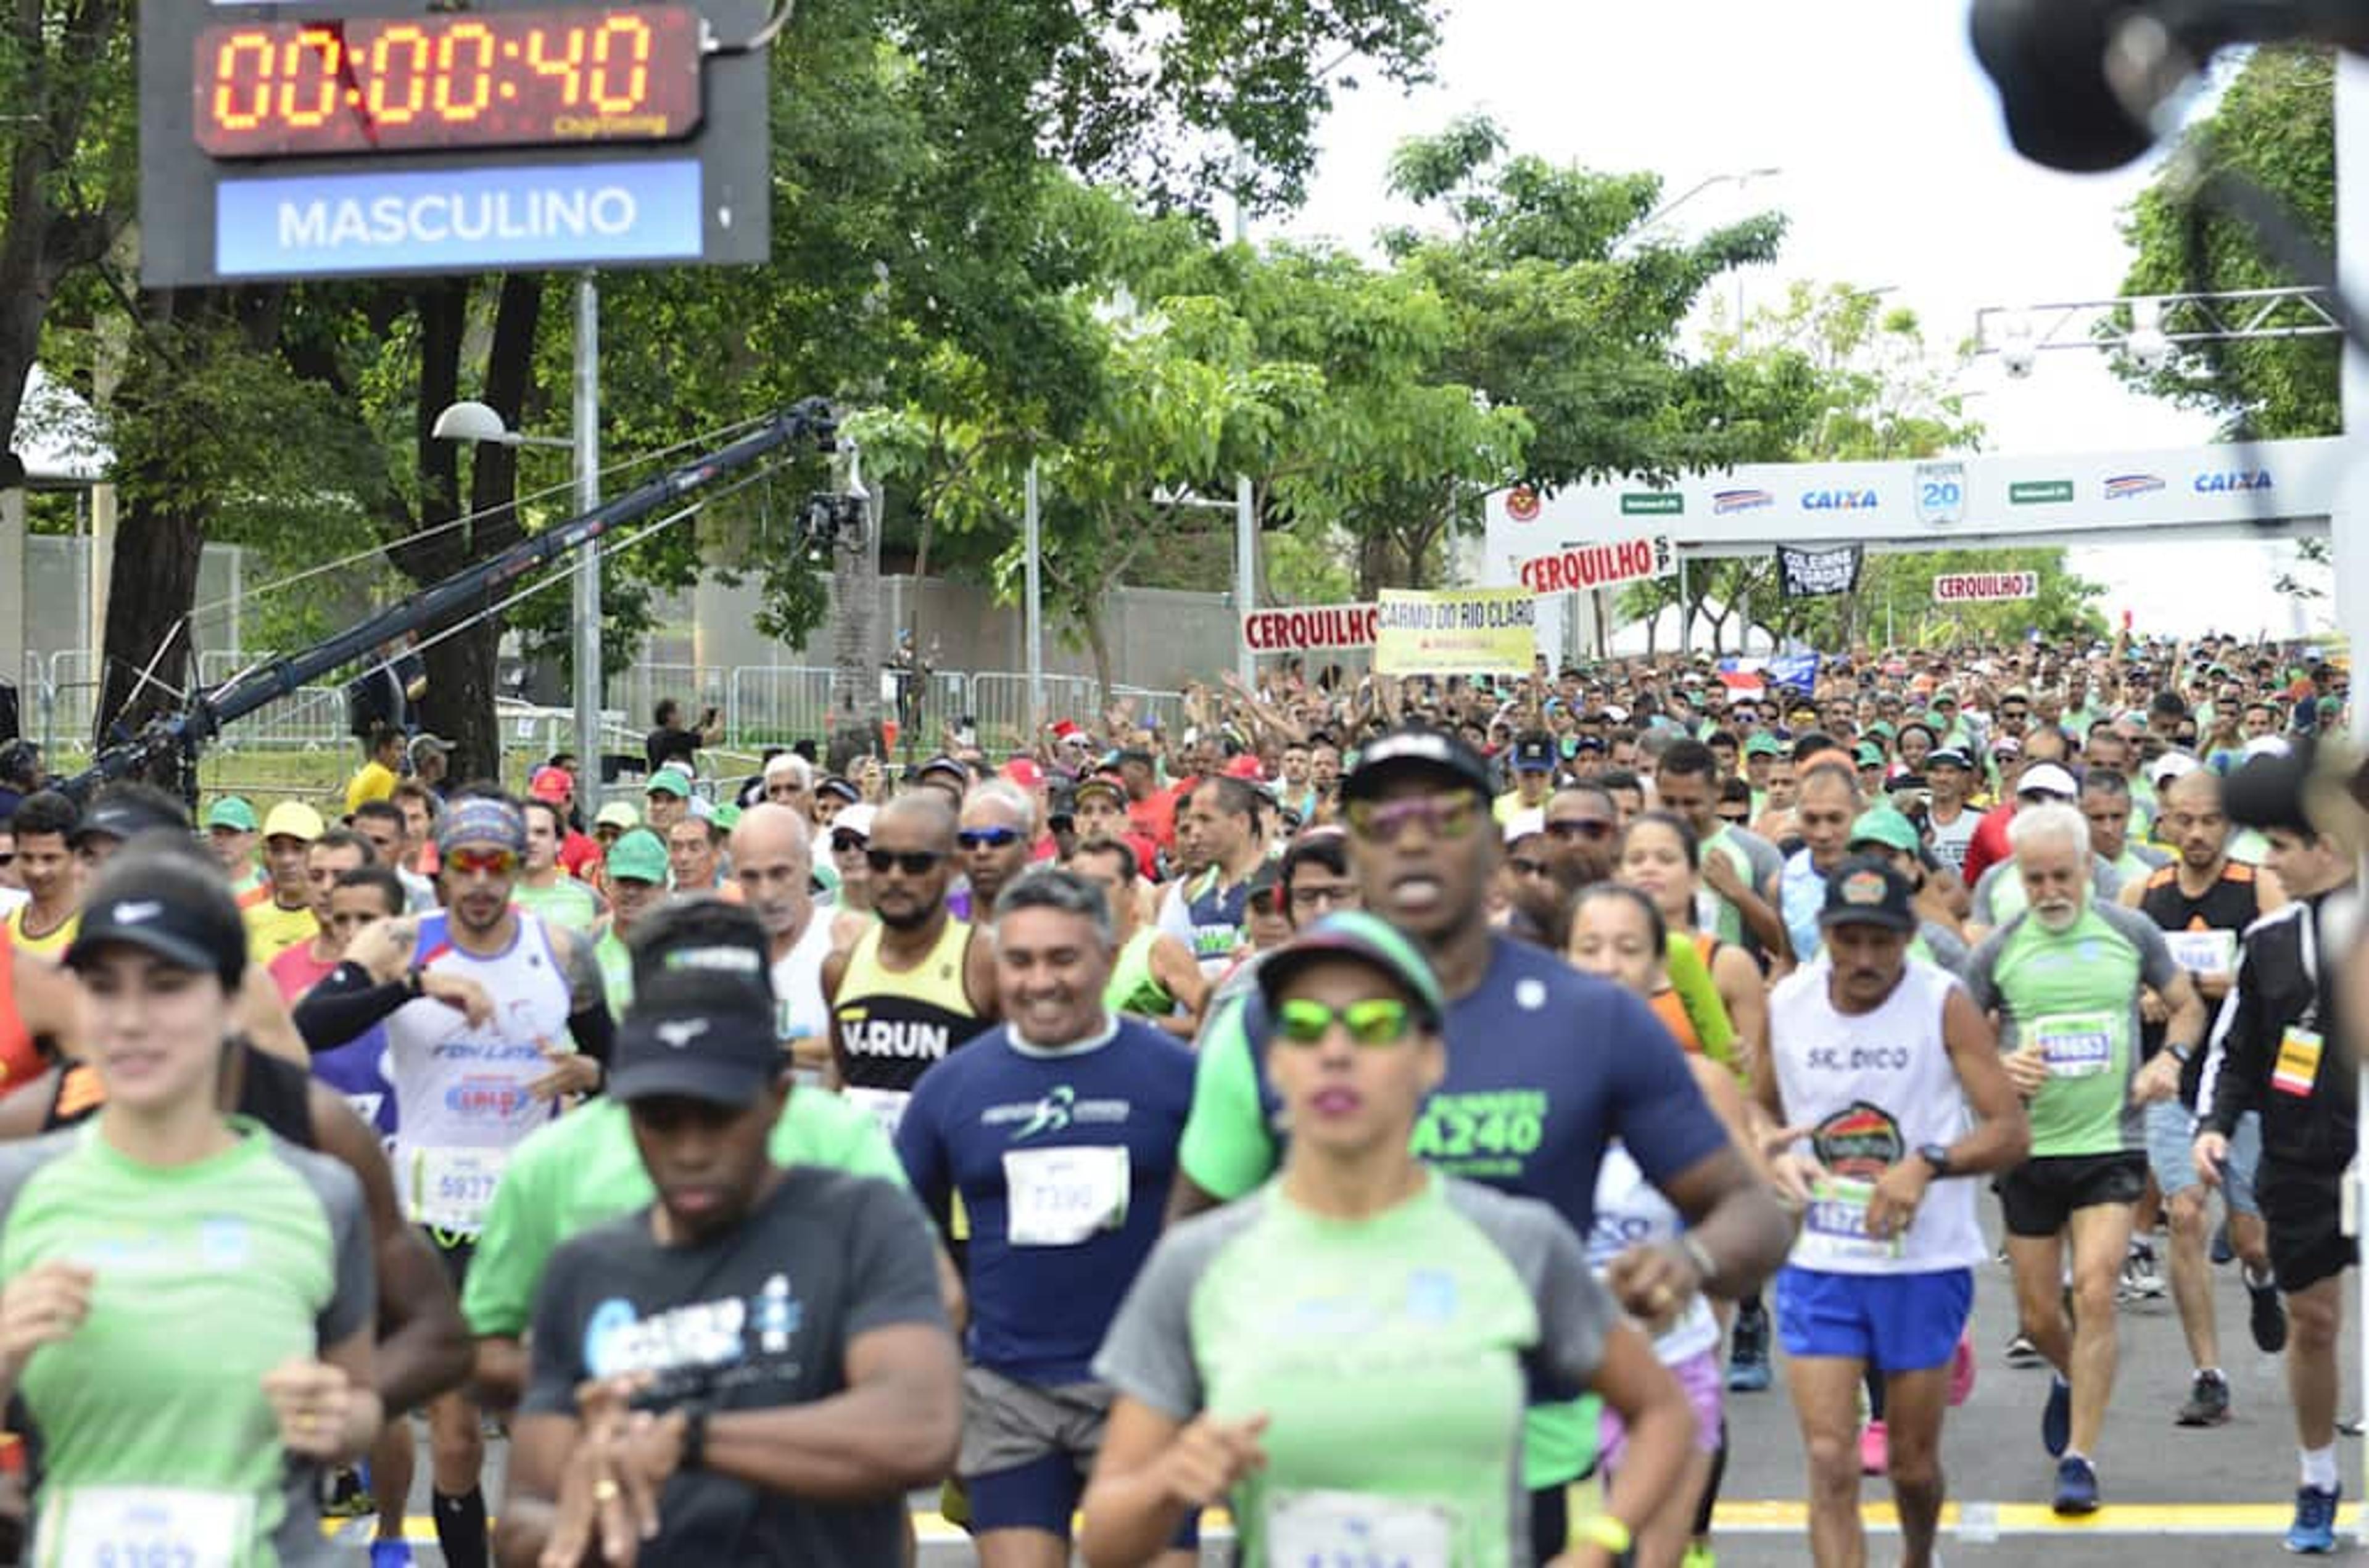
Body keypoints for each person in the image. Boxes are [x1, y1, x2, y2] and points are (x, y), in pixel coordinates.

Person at [1170, 728, 1792, 1561]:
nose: (1416, 836)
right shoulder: (1276, 1019)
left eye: (1447, 813)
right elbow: (1186, 1244)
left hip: (1528, 1461)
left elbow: (1749, 1211)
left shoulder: (1589, 1015)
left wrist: (1691, 1264)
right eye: (1385, 817)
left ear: (1495, 847)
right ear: (1354, 844)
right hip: (1319, 1462)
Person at [1085, 912, 1694, 1568]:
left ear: (1430, 1056)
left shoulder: (1516, 1240)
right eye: (1304, 1027)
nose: (1337, 1051)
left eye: (1374, 1025)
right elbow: (1105, 1539)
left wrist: (1598, 1547)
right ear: (1276, 1063)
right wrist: (1171, 1478)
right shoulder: (1200, 1259)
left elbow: (1664, 1412)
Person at [499, 964, 960, 1564]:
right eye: (661, 1119)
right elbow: (520, 1520)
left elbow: (919, 1428)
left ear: (779, 1100)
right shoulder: (584, 1268)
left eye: (719, 1116)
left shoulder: (860, 1222)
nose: (691, 1150)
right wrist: (588, 1514)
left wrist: (688, 1438)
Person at [2, 850, 382, 1565]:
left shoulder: (318, 1192)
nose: (131, 1020)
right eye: (103, 987)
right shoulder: (16, 1186)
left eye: (168, 986)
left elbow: (359, 1402)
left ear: (234, 999)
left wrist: (337, 1419)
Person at [292, 792, 611, 1568]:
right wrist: (411, 987)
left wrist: (592, 1069)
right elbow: (307, 1027)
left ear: (518, 867)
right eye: (462, 865)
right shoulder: (401, 940)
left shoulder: (562, 951)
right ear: (440, 866)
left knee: (546, 1416)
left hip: (531, 1214)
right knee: (459, 1433)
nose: (479, 883)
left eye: (495, 865)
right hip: (431, 1213)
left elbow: (626, 1065)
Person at [463, 901, 912, 1413]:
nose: (692, 1150)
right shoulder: (555, 1160)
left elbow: (931, 1303)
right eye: (660, 1121)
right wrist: (591, 1385)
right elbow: (483, 1348)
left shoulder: (839, 1136)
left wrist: (801, 1372)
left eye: (729, 1015)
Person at [897, 869, 1199, 1568]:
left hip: (1143, 1389)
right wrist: (950, 1330)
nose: (1042, 981)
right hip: (1010, 1391)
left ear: (1106, 956)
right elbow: (900, 1220)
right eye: (1021, 961)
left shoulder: (1173, 1075)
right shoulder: (953, 1087)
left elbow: (1229, 1213)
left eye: (1063, 959)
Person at [1755, 856, 2028, 1568]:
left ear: (1910, 934)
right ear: (1823, 934)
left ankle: (1917, 1552)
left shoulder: (1944, 1001)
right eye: (1849, 940)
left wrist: (1927, 1164)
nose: (1866, 958)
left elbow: (2008, 1130)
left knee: (1910, 1463)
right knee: (1829, 1457)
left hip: (1923, 1260)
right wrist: (1772, 1150)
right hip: (1822, 1258)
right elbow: (1757, 1105)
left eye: (1883, 940)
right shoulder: (1787, 1003)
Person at [1962, 801, 2205, 1514]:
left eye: (2061, 876)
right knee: (2041, 1317)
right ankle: (2073, 1377)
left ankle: (2081, 1456)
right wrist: (1999, 1070)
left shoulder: (2129, 930)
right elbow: (1961, 1033)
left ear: (2089, 869)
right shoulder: (2001, 946)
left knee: (2096, 1290)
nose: (2049, 892)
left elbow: (2185, 1004)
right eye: (2034, 879)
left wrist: (2171, 1060)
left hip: (2111, 1143)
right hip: (2032, 1148)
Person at [2193, 744, 2359, 1554]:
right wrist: (2214, 1123)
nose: (2271, 861)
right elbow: (2238, 1051)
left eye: (2283, 848)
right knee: (2317, 1321)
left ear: (2325, 845)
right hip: (2302, 1158)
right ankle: (2317, 1474)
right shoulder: (2265, 943)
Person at [2119, 764, 2285, 1421]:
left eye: (2210, 820)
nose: (2196, 833)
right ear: (2164, 821)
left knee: (2252, 1238)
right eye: (2184, 820)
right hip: (2175, 1078)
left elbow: (2285, 975)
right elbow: (2122, 978)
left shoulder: (2259, 886)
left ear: (2229, 823)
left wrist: (2210, 985)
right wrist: (2142, 994)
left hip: (2245, 1082)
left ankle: (2262, 1278)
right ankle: (2209, 1373)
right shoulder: (2143, 894)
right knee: (2184, 1213)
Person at [822, 792, 999, 1141]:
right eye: (881, 860)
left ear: (953, 869)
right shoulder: (841, 967)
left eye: (916, 863)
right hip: (870, 1187)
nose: (895, 876)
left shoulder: (985, 961)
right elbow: (841, 1076)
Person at [1613, 812, 1766, 1073]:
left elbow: (1758, 1082)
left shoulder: (1730, 965)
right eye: (1636, 860)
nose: (1649, 868)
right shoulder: (1596, 963)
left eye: (1666, 859)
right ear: (1618, 876)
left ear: (1695, 877)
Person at [730, 804, 838, 1076]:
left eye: (780, 874)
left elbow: (857, 1047)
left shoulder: (842, 941)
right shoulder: (720, 951)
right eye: (751, 877)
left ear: (809, 865)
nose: (766, 893)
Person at [1071, 838, 1207, 1039]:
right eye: (1081, 885)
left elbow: (1212, 1021)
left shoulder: (1159, 948)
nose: (1091, 894)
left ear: (1132, 889)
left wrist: (1143, 1025)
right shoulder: (1060, 951)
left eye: (1102, 884)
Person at [1157, 777, 1267, 978]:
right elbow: (1167, 964)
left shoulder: (1279, 881)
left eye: (1206, 820)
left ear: (1241, 822)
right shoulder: (1188, 891)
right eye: (1192, 821)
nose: (1195, 833)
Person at [589, 827, 669, 1013]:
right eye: (624, 881)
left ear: (664, 887)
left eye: (643, 883)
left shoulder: (681, 952)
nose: (631, 892)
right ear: (607, 882)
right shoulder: (587, 950)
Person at [247, 800, 328, 965]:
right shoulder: (248, 921)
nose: (286, 860)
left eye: (298, 849)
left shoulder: (337, 920)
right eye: (277, 849)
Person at [1, 791, 78, 963]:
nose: (37, 871)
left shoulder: (92, 927)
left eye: (50, 858)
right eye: (27, 857)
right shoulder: (6, 925)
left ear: (74, 855)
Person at [513, 798, 603, 934]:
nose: (531, 840)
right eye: (523, 832)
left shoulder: (589, 898)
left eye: (541, 833)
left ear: (559, 843)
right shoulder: (495, 897)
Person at [956, 780, 1038, 923]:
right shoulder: (937, 919)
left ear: (1029, 846)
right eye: (969, 840)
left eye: (998, 838)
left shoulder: (1056, 917)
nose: (982, 851)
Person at [208, 795, 268, 907]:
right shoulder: (195, 884)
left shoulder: (267, 886)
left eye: (232, 834)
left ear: (253, 838)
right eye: (217, 833)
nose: (222, 841)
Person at [643, 695, 721, 777]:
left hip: (658, 782)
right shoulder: (675, 737)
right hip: (679, 785)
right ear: (670, 716)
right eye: (679, 713)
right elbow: (710, 738)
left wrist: (701, 723)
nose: (682, 717)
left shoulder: (653, 737)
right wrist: (718, 719)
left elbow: (689, 737)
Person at [347, 723, 405, 817]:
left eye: (404, 749)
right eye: (399, 749)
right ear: (383, 750)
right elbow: (383, 817)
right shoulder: (383, 776)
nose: (403, 755)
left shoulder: (368, 770)